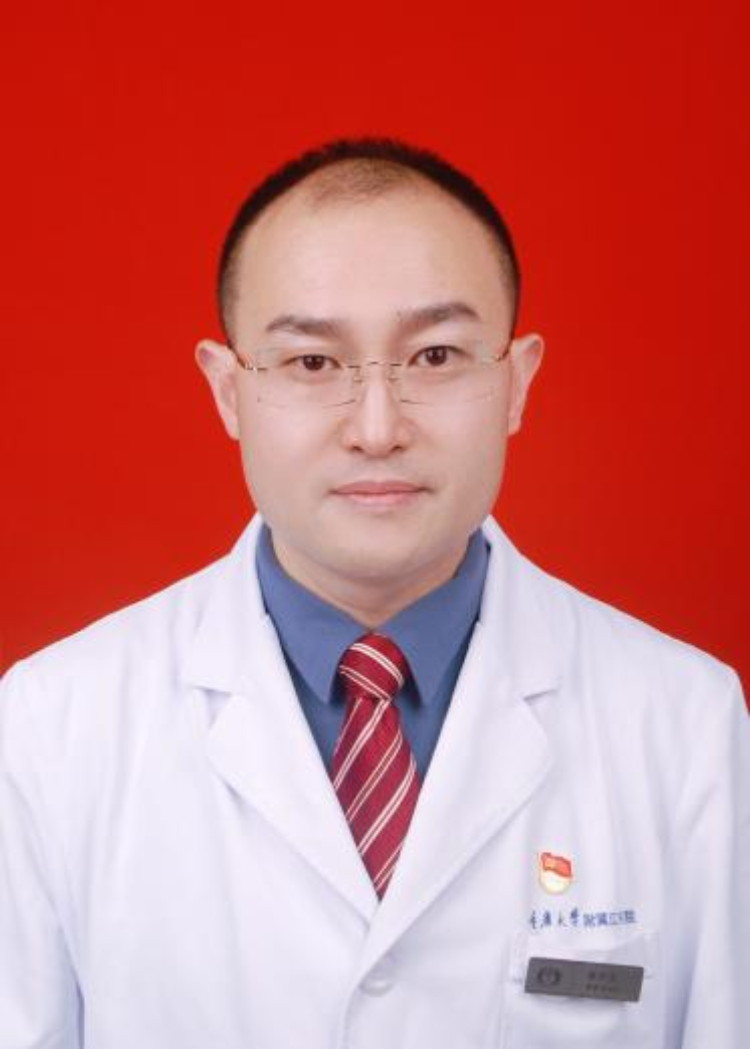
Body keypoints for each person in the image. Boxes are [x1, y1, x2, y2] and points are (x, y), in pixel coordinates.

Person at [1, 138, 747, 1049]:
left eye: (435, 355)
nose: (378, 426)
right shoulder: (51, 724)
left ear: (516, 382)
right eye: (313, 364)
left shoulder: (686, 722)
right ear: (228, 390)